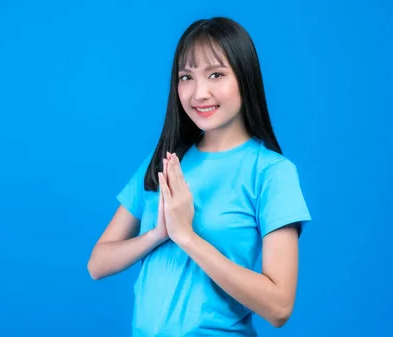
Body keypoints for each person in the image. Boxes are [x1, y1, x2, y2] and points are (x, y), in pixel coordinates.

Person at [87, 16, 311, 337]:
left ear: (245, 78)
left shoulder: (271, 173)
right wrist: (157, 234)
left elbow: (278, 308)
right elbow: (97, 264)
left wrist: (186, 236)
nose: (199, 93)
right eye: (186, 77)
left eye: (216, 74)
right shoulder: (165, 161)